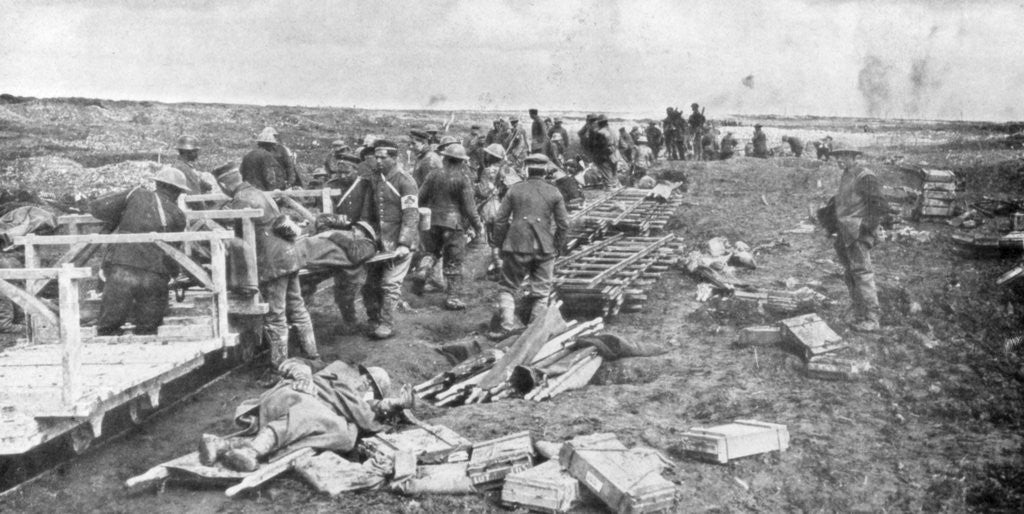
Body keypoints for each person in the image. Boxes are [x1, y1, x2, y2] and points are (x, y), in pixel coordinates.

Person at [198, 358, 414, 472]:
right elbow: (292, 362)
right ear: (362, 372)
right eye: (367, 377)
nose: (366, 382)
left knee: (336, 429)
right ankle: (253, 453)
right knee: (310, 416)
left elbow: (374, 414)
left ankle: (220, 445)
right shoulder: (335, 368)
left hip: (306, 412)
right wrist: (303, 375)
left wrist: (396, 403)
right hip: (293, 395)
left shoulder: (363, 405)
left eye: (372, 387)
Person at [215, 164, 319, 377]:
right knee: (297, 306)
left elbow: (237, 232)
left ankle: (278, 367)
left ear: (224, 184)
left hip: (273, 263)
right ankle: (312, 356)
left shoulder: (242, 199)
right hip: (289, 255)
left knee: (275, 316)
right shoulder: (258, 192)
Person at [89, 167, 189, 336]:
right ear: (178, 192)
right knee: (148, 328)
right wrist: (174, 274)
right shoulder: (179, 216)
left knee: (108, 327)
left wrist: (122, 212)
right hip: (155, 276)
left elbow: (97, 207)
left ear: (157, 183)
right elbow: (172, 252)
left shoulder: (136, 194)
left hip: (123, 269)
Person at [487, 155, 569, 339]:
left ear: (526, 169)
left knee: (507, 287)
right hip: (544, 248)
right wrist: (557, 245)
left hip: (516, 244)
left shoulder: (514, 190)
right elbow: (564, 224)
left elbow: (500, 221)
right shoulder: (554, 192)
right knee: (541, 291)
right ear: (546, 170)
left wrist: (499, 244)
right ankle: (534, 331)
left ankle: (506, 327)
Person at [349, 140, 419, 339]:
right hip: (380, 242)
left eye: (383, 157)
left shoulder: (405, 181)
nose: (378, 161)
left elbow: (411, 214)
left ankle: (387, 324)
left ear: (394, 158)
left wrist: (404, 243)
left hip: (399, 243)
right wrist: (362, 230)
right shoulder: (376, 179)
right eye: (376, 157)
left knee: (390, 283)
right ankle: (374, 319)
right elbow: (368, 210)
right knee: (370, 284)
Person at [824, 143, 891, 332]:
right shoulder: (847, 174)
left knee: (862, 273)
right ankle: (858, 312)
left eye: (844, 155)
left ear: (854, 156)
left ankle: (872, 318)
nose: (839, 159)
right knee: (850, 273)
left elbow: (880, 206)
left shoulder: (866, 176)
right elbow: (843, 202)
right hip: (845, 232)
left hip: (857, 233)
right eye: (837, 156)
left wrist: (864, 228)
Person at [413, 144, 484, 310]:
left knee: (431, 252)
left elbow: (420, 198)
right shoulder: (462, 179)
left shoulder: (433, 174)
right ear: (461, 161)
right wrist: (478, 226)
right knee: (454, 260)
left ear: (444, 158)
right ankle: (452, 298)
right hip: (453, 225)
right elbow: (470, 208)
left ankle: (423, 270)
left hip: (432, 222)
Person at [299, 219, 379, 332]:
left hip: (323, 262)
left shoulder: (368, 244)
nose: (353, 230)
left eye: (358, 229)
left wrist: (334, 235)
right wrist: (339, 224)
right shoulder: (347, 235)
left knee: (345, 295)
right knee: (303, 286)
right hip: (313, 256)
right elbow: (322, 221)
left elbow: (356, 255)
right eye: (354, 228)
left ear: (366, 233)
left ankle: (352, 323)